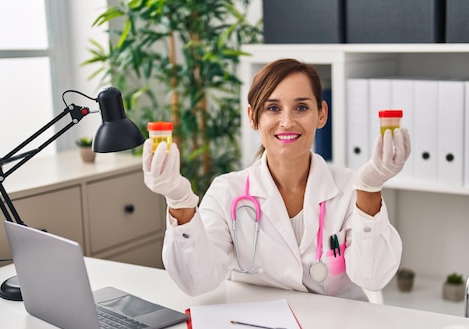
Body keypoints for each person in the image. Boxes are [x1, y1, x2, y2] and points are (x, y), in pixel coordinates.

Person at [142, 58, 411, 301]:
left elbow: (372, 277)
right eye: (273, 108)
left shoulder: (351, 189)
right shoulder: (228, 191)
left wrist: (370, 188)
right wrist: (179, 201)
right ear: (252, 117)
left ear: (321, 114)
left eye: (301, 107)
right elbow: (196, 281)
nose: (286, 121)